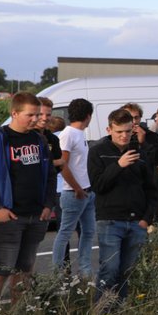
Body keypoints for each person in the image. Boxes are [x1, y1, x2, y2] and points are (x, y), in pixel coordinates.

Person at [0, 93, 58, 315]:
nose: (35, 119)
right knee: (1, 270)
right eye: (30, 115)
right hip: (8, 216)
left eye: (37, 115)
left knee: (24, 270)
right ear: (14, 113)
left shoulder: (39, 140)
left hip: (36, 216)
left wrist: (48, 204)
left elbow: (50, 175)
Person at [87, 107, 158, 308]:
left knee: (127, 271)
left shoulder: (142, 153)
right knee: (110, 269)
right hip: (110, 220)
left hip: (136, 222)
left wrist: (146, 218)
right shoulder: (98, 152)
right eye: (119, 131)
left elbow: (152, 189)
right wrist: (118, 165)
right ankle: (101, 314)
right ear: (109, 129)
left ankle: (118, 313)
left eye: (128, 131)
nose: (124, 136)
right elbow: (98, 185)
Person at [53, 97, 96, 280]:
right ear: (88, 115)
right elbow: (63, 165)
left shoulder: (78, 134)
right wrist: (77, 188)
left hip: (86, 191)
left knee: (88, 232)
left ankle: (85, 270)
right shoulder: (68, 134)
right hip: (74, 193)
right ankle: (58, 273)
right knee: (65, 233)